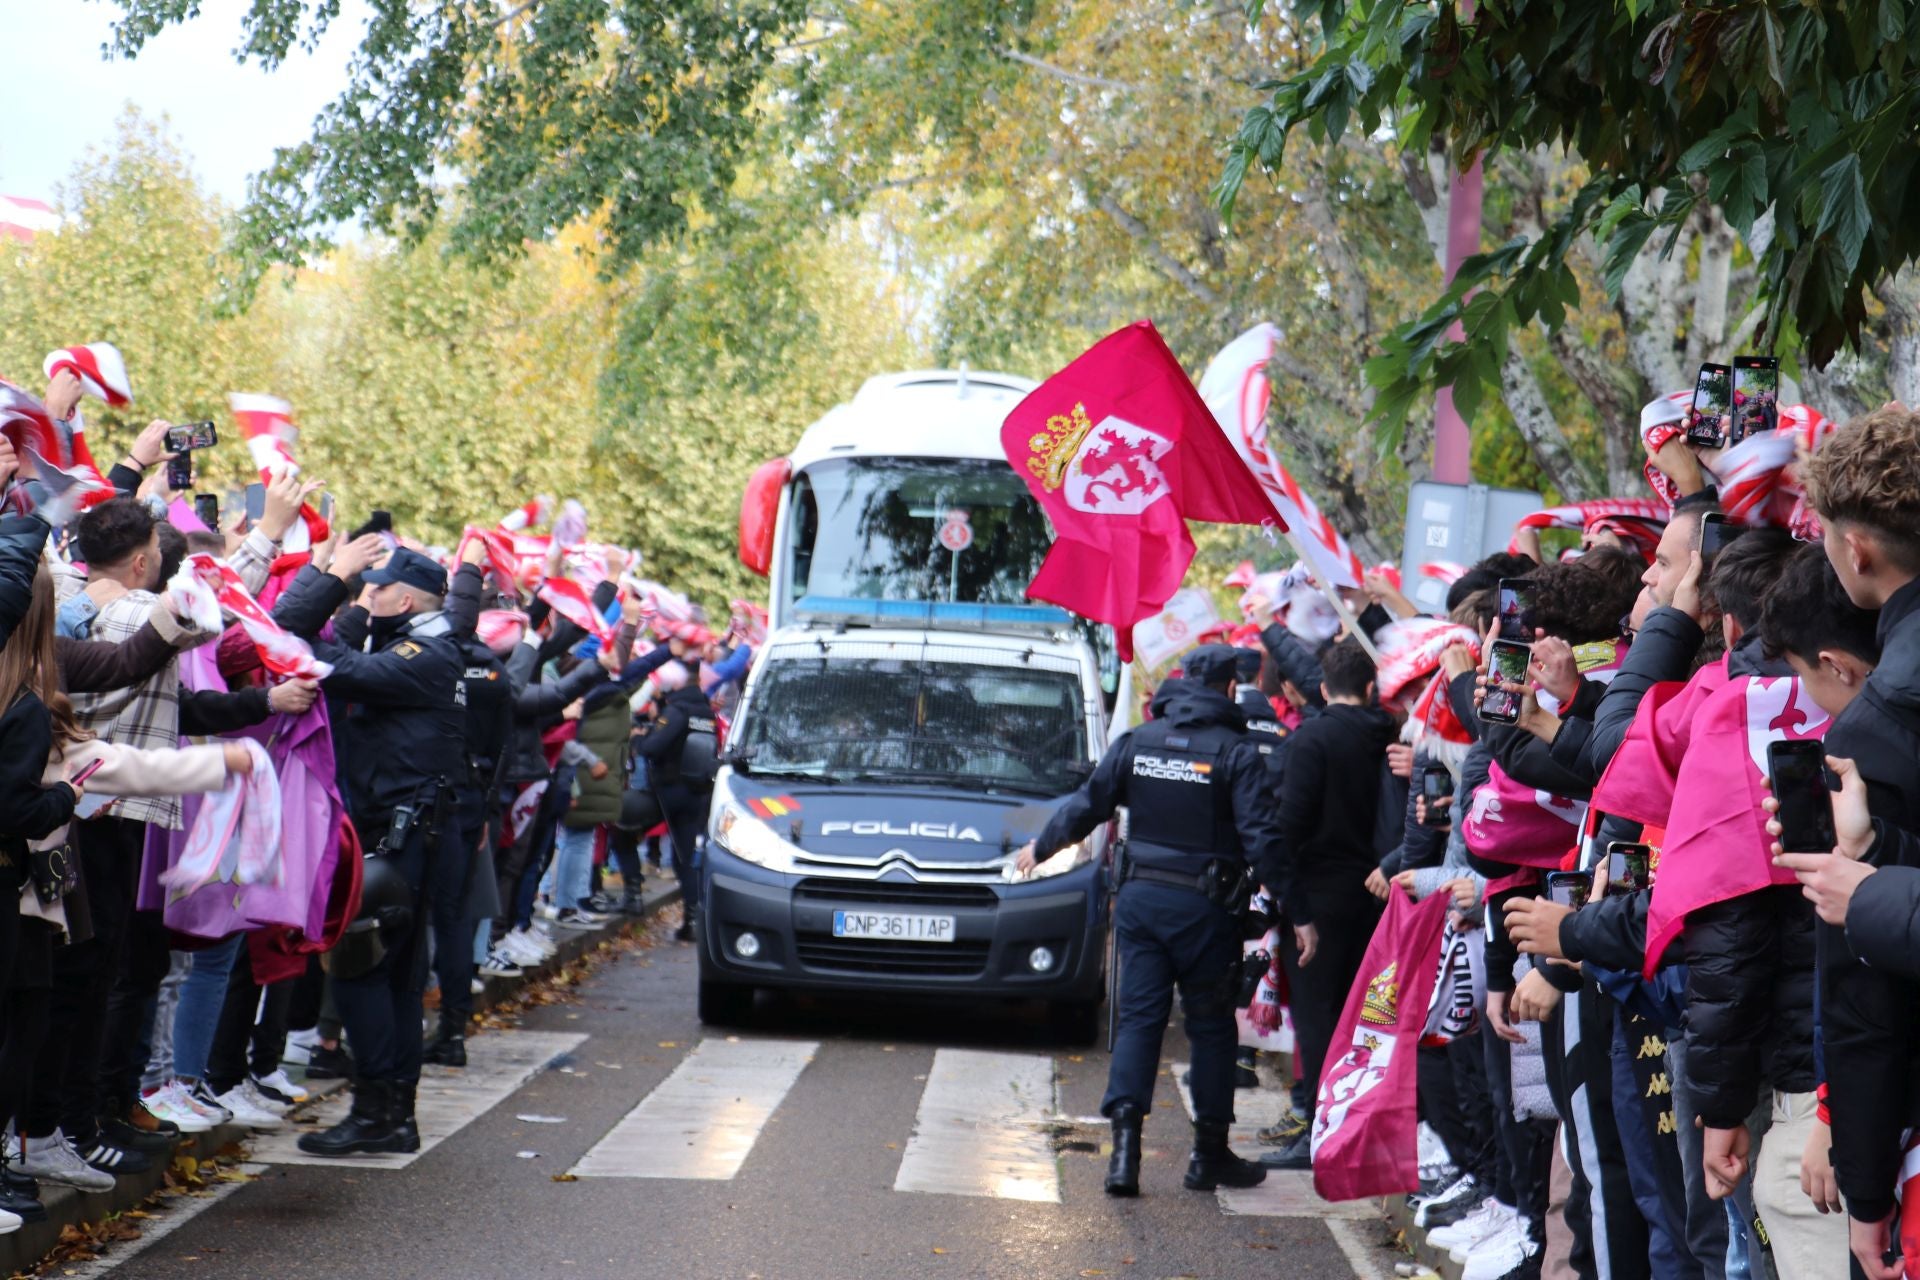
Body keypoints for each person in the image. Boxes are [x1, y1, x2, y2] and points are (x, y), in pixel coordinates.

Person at [1013, 643, 1281, 1198]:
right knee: (1209, 1028)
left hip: (1140, 905)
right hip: (1206, 913)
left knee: (1138, 1022)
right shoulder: (1236, 752)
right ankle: (1208, 1157)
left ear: (1183, 682)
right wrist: (1296, 914)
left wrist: (1041, 846)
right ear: (1230, 689)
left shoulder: (1137, 741)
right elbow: (1263, 841)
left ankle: (1124, 1159)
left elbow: (1090, 804)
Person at [273, 538, 466, 1156]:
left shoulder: (424, 653)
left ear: (405, 598)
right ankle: (390, 1114)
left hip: (401, 834)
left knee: (363, 968)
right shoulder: (426, 647)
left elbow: (299, 640)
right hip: (406, 829)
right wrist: (355, 598)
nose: (366, 594)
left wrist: (335, 581)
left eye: (376, 588)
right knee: (394, 976)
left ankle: (378, 1107)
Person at [1263, 637, 1398, 1171]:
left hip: (1319, 902)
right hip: (1381, 894)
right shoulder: (1394, 736)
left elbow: (1286, 828)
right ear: (1370, 689)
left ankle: (1321, 1135)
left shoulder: (1310, 741)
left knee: (1320, 1024)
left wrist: (1294, 909)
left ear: (1323, 690)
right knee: (1366, 1021)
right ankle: (1355, 1127)